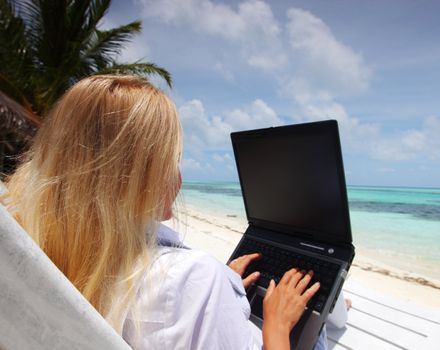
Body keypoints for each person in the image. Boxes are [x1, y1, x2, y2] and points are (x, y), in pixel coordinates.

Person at [3, 75, 327, 349]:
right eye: (171, 161)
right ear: (134, 176)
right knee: (323, 325)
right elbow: (176, 297)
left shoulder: (28, 241)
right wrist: (277, 326)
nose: (179, 178)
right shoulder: (190, 280)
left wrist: (215, 297)